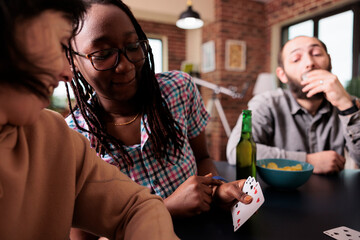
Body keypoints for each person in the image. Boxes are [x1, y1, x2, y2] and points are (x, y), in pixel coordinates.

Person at [65, 1, 252, 238]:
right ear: (73, 61)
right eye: (102, 54)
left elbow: (202, 157)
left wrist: (216, 191)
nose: (125, 66)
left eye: (133, 46)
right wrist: (166, 208)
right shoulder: (72, 136)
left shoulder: (179, 89)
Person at [0, 0, 181, 239]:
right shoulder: (71, 129)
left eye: (133, 46)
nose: (66, 73)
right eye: (57, 44)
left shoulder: (54, 137)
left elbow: (136, 207)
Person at [227, 36, 360, 174]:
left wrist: (347, 106)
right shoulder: (266, 103)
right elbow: (235, 152)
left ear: (330, 61)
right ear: (282, 74)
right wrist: (307, 161)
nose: (309, 63)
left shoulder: (349, 104)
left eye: (316, 54)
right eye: (296, 59)